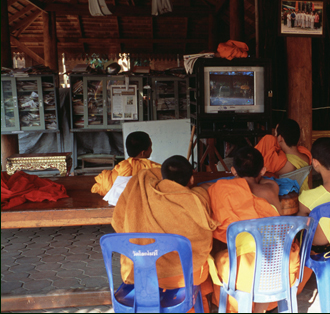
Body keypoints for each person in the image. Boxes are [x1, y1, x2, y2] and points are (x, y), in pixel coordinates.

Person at [112, 155, 218, 312]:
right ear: (191, 179)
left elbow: (118, 222)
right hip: (184, 276)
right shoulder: (197, 199)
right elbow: (204, 239)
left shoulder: (142, 189)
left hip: (142, 274)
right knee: (204, 267)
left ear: (162, 177)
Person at [207, 146, 301, 313]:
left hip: (245, 270)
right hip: (280, 265)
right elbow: (263, 182)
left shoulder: (220, 189)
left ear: (233, 170)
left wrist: (237, 183)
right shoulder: (271, 188)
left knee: (218, 258)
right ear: (263, 170)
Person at [91, 131, 160, 196]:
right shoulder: (154, 167)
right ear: (143, 153)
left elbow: (103, 186)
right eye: (150, 147)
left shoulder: (121, 166)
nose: (151, 150)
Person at [254, 118, 312, 191]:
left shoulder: (286, 164)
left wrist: (274, 138)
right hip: (305, 193)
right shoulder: (306, 156)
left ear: (280, 138)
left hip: (291, 198)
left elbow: (266, 166)